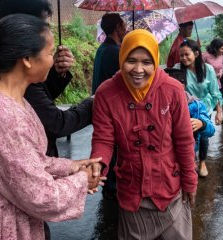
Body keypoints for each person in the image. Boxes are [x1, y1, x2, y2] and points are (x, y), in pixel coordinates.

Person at [0, 14, 104, 240]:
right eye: (50, 53)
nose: (53, 60)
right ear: (27, 59)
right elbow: (40, 195)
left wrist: (70, 167)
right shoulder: (4, 116)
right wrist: (82, 180)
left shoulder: (2, 94)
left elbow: (26, 161)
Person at [91, 29, 198, 239]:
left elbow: (184, 141)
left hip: (170, 187)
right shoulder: (106, 93)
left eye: (147, 62)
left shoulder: (173, 90)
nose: (138, 69)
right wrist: (98, 166)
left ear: (156, 61)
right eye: (131, 60)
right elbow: (104, 139)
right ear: (121, 58)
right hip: (133, 190)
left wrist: (190, 181)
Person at [0, 0, 93, 157]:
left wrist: (54, 71)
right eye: (49, 53)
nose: (51, 59)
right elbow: (54, 124)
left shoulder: (4, 74)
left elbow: (40, 103)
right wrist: (95, 102)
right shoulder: (4, 105)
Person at [92, 13, 126, 199]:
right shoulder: (116, 52)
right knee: (113, 144)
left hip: (100, 103)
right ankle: (112, 186)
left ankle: (110, 183)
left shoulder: (103, 48)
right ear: (117, 28)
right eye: (124, 24)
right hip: (111, 106)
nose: (127, 27)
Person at [178, 39, 223, 177]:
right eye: (181, 55)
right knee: (186, 136)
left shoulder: (207, 69)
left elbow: (215, 92)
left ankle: (202, 162)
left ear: (196, 53)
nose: (184, 58)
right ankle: (191, 161)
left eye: (187, 54)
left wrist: (219, 112)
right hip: (186, 109)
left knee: (203, 135)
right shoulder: (177, 69)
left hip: (204, 108)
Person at [92, 13, 127, 94]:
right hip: (108, 101)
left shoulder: (101, 48)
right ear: (118, 27)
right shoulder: (116, 52)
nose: (126, 30)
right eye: (125, 26)